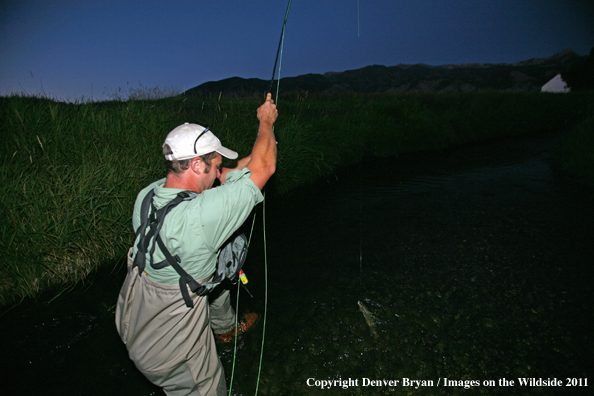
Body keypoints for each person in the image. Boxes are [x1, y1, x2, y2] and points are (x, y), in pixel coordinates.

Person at [115, 94, 278, 396]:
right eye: (216, 164)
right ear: (195, 163)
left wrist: (239, 168)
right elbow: (264, 167)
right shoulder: (201, 221)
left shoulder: (148, 196)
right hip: (171, 353)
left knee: (217, 270)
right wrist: (266, 123)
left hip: (133, 323)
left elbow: (232, 175)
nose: (220, 171)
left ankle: (225, 330)